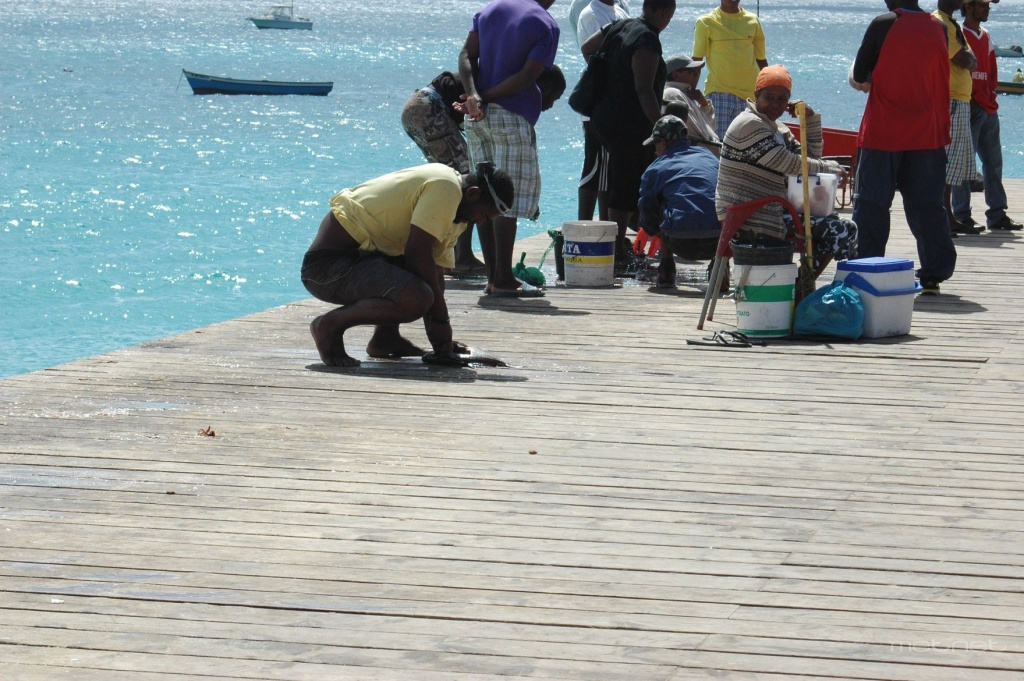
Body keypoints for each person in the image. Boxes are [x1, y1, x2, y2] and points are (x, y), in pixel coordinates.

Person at [301, 163, 513, 368]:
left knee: (423, 284)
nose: (480, 222)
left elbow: (435, 273)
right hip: (326, 269)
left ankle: (385, 339)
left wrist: (442, 341)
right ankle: (329, 325)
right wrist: (441, 330)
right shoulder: (445, 188)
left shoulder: (457, 216)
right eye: (483, 215)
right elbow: (417, 254)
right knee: (417, 298)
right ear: (473, 194)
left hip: (363, 260)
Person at [850, 0, 956, 295]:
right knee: (928, 206)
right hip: (927, 132)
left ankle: (866, 268)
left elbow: (859, 74)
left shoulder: (884, 23)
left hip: (884, 131)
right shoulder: (938, 27)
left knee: (871, 204)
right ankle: (934, 273)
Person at [458, 0, 560, 297]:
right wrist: (486, 96)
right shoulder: (545, 23)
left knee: (486, 192)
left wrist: (474, 95)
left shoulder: (490, 10)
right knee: (505, 198)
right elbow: (527, 77)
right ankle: (503, 279)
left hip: (477, 116)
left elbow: (466, 54)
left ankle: (493, 277)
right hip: (511, 114)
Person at [716, 65, 857, 275]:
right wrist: (831, 168)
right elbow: (788, 164)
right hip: (751, 214)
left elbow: (810, 160)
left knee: (841, 226)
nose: (775, 104)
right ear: (756, 95)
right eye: (769, 97)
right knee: (840, 230)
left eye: (782, 99)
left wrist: (809, 120)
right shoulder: (748, 124)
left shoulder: (777, 128)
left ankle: (801, 284)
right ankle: (802, 287)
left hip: (772, 209)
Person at [581, 0, 676, 266]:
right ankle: (617, 250)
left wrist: (611, 75)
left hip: (601, 115)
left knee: (616, 178)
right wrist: (661, 127)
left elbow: (587, 48)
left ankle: (616, 243)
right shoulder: (648, 39)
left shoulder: (619, 25)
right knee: (624, 182)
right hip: (628, 122)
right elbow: (644, 89)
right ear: (665, 12)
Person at [401, 71, 487, 278]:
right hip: (429, 107)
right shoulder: (493, 80)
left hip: (416, 106)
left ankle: (450, 256)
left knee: (451, 177)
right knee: (464, 180)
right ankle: (461, 258)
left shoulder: (486, 73)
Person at [952, 0, 1023, 231]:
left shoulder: (986, 35)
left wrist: (992, 94)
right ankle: (961, 214)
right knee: (963, 165)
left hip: (988, 107)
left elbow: (991, 69)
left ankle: (997, 214)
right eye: (982, 5)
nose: (987, 8)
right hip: (968, 107)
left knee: (994, 163)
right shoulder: (958, 33)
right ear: (968, 7)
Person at [637, 115, 721, 289]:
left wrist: (652, 231)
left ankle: (666, 268)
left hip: (679, 242)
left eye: (655, 144)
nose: (655, 150)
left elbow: (646, 208)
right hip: (719, 241)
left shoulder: (656, 168)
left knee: (664, 203)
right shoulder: (710, 157)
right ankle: (720, 268)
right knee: (713, 199)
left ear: (663, 143)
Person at [575, 0, 630, 222]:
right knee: (595, 169)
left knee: (610, 172)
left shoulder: (620, 12)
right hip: (599, 103)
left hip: (616, 105)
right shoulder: (591, 14)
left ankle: (607, 228)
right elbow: (595, 56)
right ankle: (584, 226)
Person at [934, 0, 980, 235]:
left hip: (959, 99)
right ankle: (943, 217)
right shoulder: (940, 22)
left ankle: (948, 215)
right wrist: (968, 58)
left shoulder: (952, 24)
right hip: (950, 99)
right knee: (947, 162)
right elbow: (965, 59)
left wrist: (969, 58)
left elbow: (972, 60)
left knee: (954, 165)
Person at [692, 0, 768, 141]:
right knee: (718, 145)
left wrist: (770, 90)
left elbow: (761, 60)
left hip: (749, 98)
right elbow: (696, 61)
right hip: (719, 94)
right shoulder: (706, 22)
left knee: (747, 146)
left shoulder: (753, 20)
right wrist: (689, 91)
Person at [662, 53, 721, 155]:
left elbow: (710, 128)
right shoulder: (673, 93)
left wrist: (704, 104)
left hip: (705, 155)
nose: (697, 75)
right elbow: (696, 134)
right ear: (676, 75)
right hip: (699, 156)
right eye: (692, 71)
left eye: (697, 72)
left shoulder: (685, 95)